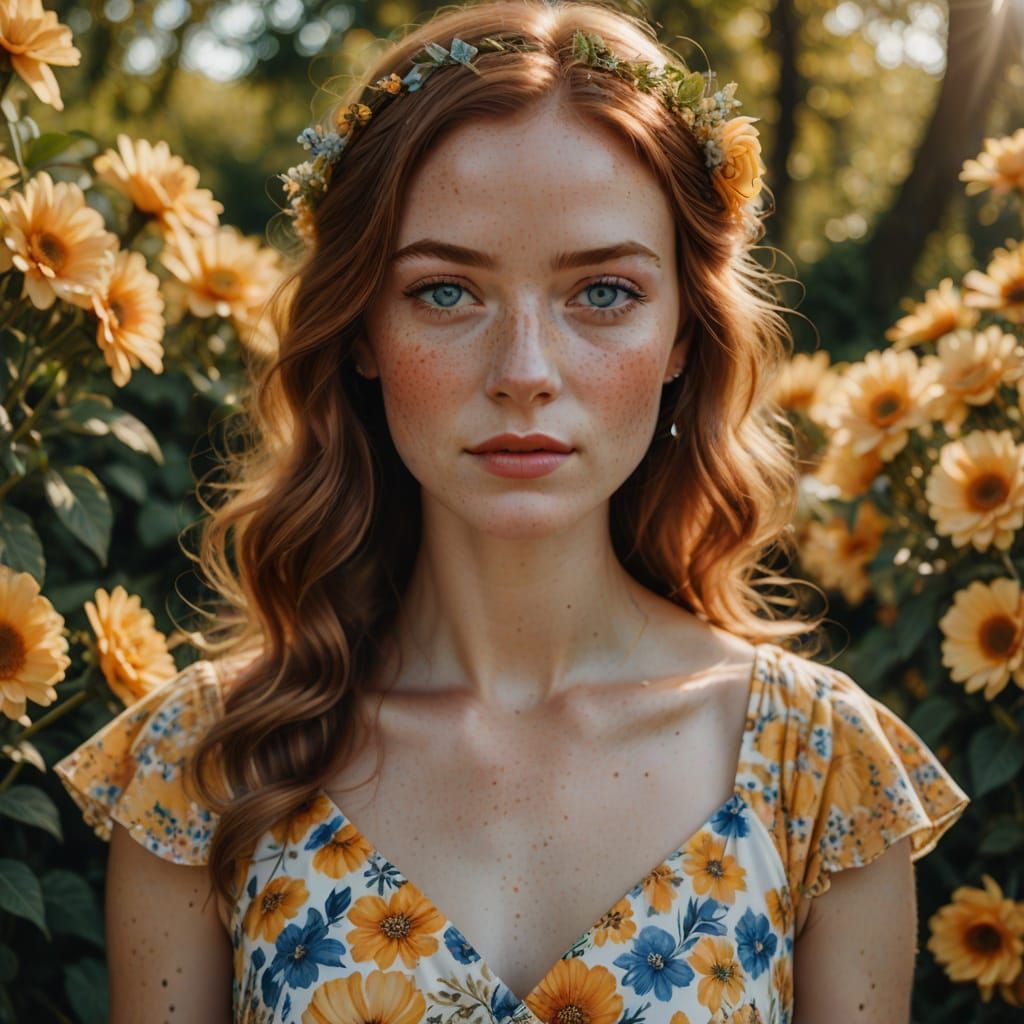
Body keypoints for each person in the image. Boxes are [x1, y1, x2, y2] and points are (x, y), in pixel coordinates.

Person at [53, 2, 971, 1022]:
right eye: (446, 293)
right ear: (360, 329)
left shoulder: (820, 770)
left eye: (604, 293)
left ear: (682, 338)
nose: (525, 373)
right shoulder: (204, 766)